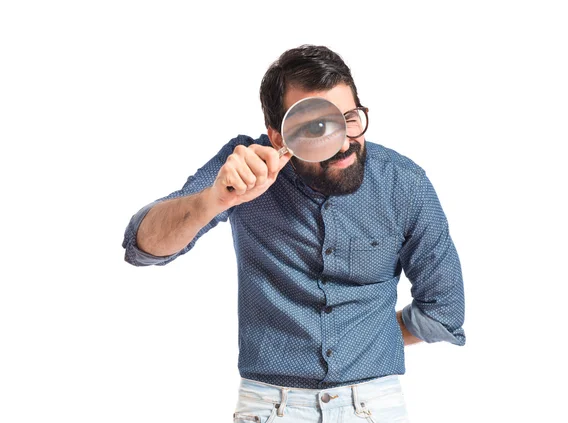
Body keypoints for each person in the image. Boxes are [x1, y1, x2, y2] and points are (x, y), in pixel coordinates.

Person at [122, 44, 466, 423]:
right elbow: (143, 245)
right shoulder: (244, 167)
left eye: (349, 117)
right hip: (271, 408)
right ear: (277, 135)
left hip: (375, 406)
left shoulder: (403, 184)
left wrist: (368, 338)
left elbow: (443, 312)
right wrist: (213, 201)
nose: (343, 141)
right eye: (316, 126)